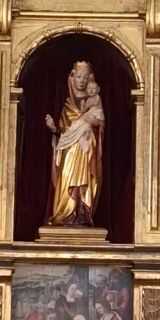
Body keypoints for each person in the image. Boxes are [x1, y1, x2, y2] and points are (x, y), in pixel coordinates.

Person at [45, 58, 103, 225]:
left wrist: (95, 124)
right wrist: (54, 129)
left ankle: (82, 213)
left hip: (86, 149)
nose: (81, 81)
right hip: (69, 150)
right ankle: (65, 214)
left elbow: (100, 125)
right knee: (66, 177)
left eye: (85, 77)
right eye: (78, 77)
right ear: (72, 78)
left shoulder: (94, 101)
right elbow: (63, 132)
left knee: (85, 178)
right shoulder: (67, 106)